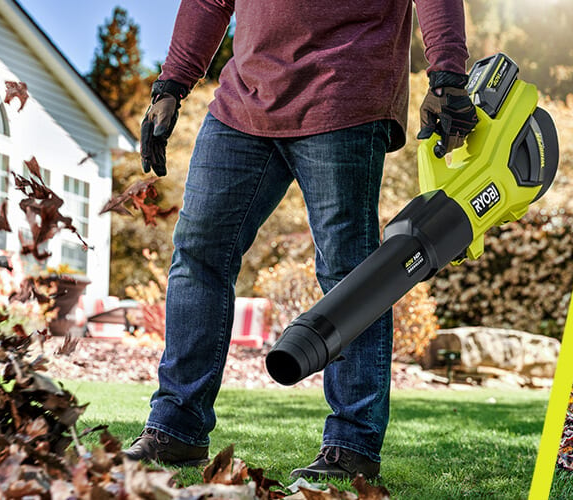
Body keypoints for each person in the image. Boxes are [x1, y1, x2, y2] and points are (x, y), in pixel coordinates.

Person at [121, 0, 478, 481]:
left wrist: (448, 75)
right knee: (198, 255)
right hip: (243, 101)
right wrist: (171, 84)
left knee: (350, 275)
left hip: (343, 91)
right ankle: (176, 429)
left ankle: (352, 446)